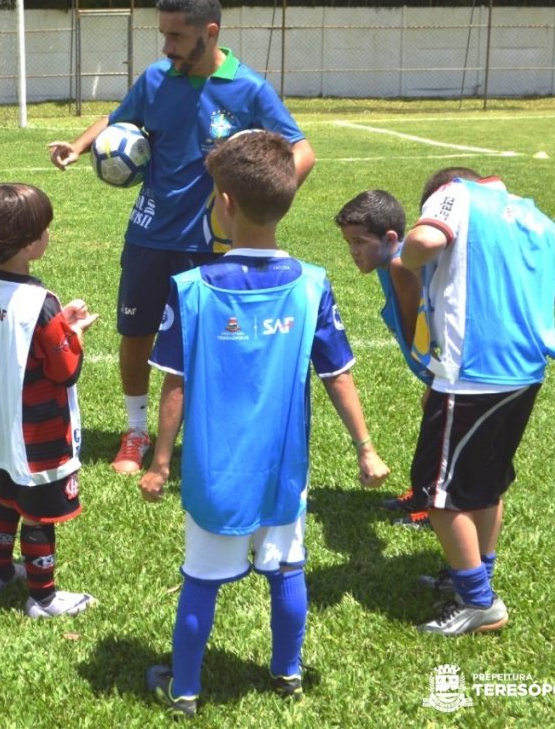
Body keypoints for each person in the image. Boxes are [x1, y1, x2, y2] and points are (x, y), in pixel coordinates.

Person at [137, 131, 388, 718]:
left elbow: (175, 385)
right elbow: (338, 376)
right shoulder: (312, 284)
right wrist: (366, 448)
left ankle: (185, 690)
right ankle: (287, 674)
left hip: (214, 473)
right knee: (287, 568)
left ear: (224, 203)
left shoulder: (191, 289)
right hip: (283, 471)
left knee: (201, 579)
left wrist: (160, 463)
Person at [49, 0, 315, 475]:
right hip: (150, 232)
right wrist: (79, 146)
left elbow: (302, 150)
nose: (167, 46)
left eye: (177, 36)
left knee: (211, 340)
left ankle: (211, 434)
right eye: (164, 34)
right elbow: (118, 118)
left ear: (209, 33)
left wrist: (263, 202)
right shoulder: (156, 78)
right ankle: (136, 431)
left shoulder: (249, 89)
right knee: (137, 333)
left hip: (213, 243)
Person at [399, 167, 555, 636]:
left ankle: (478, 602)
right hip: (525, 371)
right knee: (485, 485)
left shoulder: (455, 194)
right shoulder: (537, 217)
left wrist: (408, 254)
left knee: (438, 493)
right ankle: (474, 578)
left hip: (473, 371)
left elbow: (422, 242)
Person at [0, 183, 99, 619]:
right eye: (43, 229)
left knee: (7, 498)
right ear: (25, 242)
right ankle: (43, 598)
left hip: (0, 420)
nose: (48, 235)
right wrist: (72, 332)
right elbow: (65, 369)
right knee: (39, 514)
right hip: (36, 430)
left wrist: (59, 325)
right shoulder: (40, 303)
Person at [334, 189, 433, 529]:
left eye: (360, 242)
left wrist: (437, 381)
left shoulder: (401, 267)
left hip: (448, 370)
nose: (353, 251)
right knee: (434, 425)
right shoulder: (388, 265)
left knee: (444, 431)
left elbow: (421, 335)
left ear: (390, 238)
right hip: (438, 372)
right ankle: (422, 494)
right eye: (349, 242)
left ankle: (435, 508)